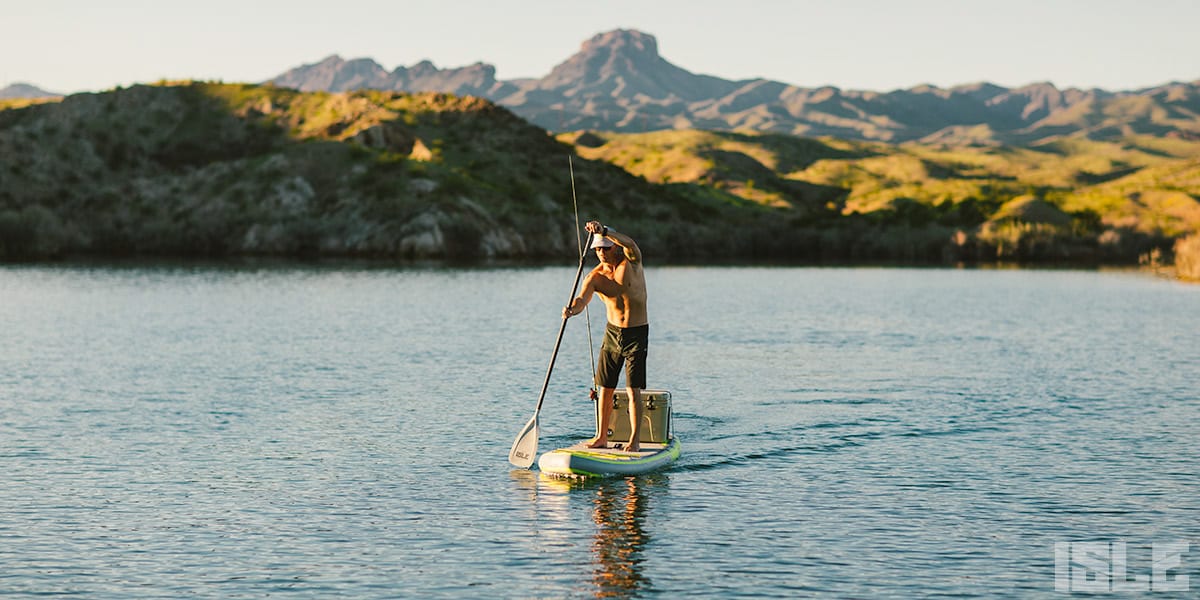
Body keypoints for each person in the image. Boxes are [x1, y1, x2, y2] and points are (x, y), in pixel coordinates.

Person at [563, 220, 650, 452]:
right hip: (613, 333)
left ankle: (634, 441)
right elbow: (582, 300)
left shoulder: (632, 262)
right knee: (605, 388)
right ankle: (601, 437)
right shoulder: (595, 277)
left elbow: (631, 243)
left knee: (633, 390)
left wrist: (605, 232)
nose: (601, 252)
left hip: (636, 333)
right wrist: (572, 309)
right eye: (597, 249)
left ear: (615, 247)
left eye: (605, 247)